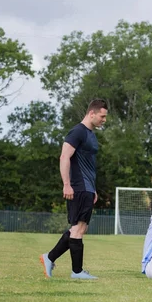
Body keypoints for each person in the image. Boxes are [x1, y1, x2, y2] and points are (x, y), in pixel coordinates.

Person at [40, 98, 108, 280]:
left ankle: (50, 257)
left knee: (80, 228)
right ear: (91, 113)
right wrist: (67, 184)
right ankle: (76, 272)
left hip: (87, 188)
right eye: (102, 116)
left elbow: (88, 165)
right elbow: (64, 157)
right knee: (77, 229)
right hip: (77, 187)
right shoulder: (77, 131)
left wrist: (93, 189)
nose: (104, 120)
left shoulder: (91, 134)